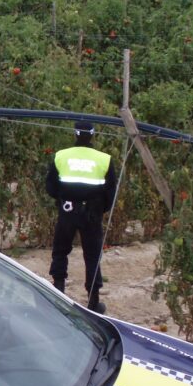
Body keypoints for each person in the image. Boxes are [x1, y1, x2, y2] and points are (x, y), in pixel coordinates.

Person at [45, 120, 117, 313]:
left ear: (75, 134)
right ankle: (94, 302)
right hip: (92, 215)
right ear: (93, 135)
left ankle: (58, 290)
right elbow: (111, 192)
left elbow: (50, 186)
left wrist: (63, 199)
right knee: (92, 256)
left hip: (67, 211)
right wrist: (99, 210)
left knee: (60, 251)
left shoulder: (61, 156)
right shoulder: (105, 159)